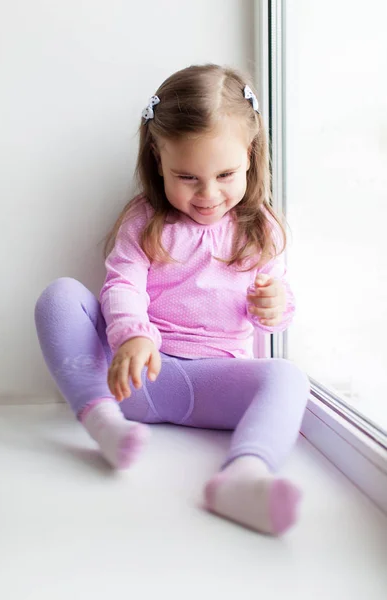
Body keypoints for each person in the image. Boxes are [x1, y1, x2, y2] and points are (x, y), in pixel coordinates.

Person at [35, 64, 309, 536]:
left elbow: (273, 317)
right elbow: (122, 285)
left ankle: (244, 476)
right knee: (59, 296)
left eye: (226, 174)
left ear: (251, 155)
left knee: (287, 378)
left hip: (213, 384)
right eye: (187, 177)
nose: (208, 194)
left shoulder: (262, 230)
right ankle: (101, 421)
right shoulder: (146, 221)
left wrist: (275, 304)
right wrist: (133, 337)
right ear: (158, 161)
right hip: (134, 378)